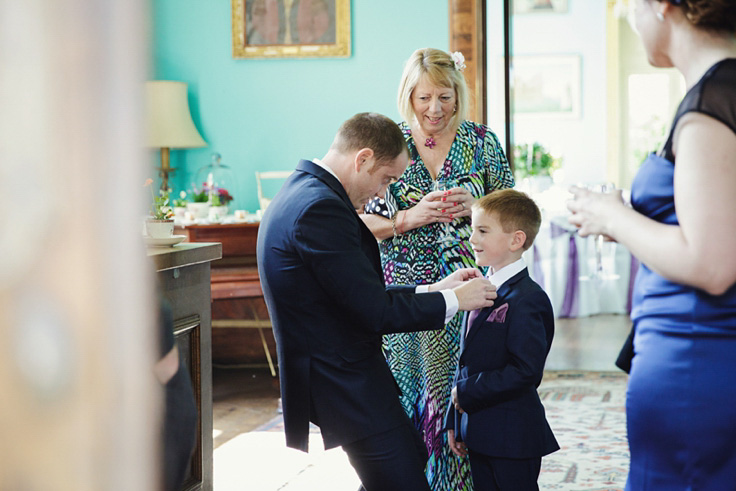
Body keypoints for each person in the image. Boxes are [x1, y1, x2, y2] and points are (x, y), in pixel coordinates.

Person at [256, 112, 499, 491]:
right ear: (363, 158)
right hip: (342, 379)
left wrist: (434, 289)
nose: (383, 194)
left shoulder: (303, 190)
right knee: (403, 479)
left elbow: (356, 293)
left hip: (347, 370)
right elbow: (374, 311)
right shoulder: (319, 209)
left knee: (409, 459)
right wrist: (455, 299)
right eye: (386, 179)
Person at [566, 1, 736, 489]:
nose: (633, 23)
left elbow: (711, 262)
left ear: (662, 6)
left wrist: (612, 217)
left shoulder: (713, 99)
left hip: (696, 360)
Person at [361, 47, 514, 490]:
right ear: (408, 95)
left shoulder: (482, 142)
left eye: (445, 97)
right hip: (404, 295)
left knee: (464, 394)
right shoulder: (389, 144)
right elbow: (354, 223)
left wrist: (480, 208)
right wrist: (408, 218)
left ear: (457, 93)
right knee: (406, 398)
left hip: (469, 289)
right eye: (424, 97)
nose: (435, 109)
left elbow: (516, 217)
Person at [444, 190, 559, 491]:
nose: (472, 240)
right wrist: (455, 420)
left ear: (515, 240)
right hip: (478, 430)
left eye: (482, 231)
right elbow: (465, 359)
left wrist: (466, 393)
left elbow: (525, 371)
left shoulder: (528, 299)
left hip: (513, 437)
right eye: (472, 230)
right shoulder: (479, 289)